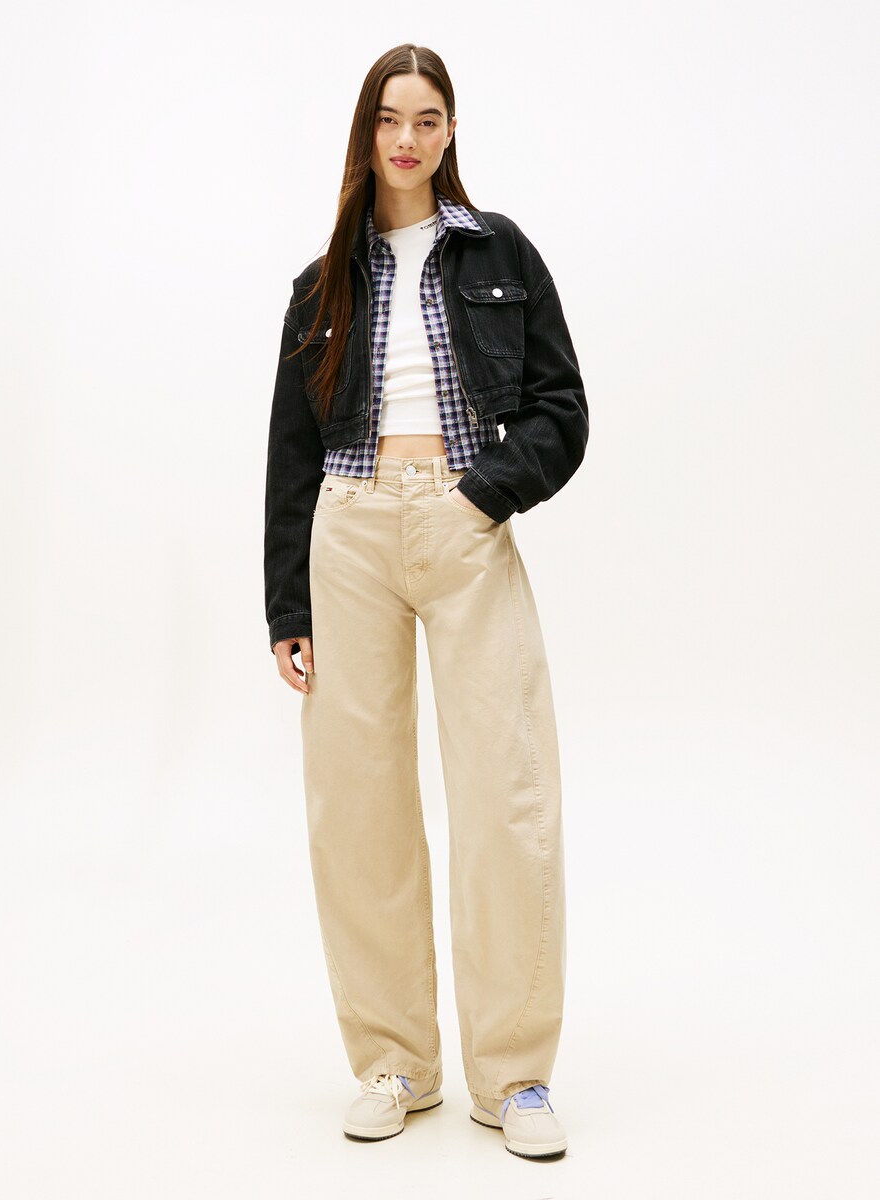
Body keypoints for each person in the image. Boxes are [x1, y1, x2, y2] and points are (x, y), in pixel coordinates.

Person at [264, 43, 589, 1161]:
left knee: (507, 793)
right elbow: (289, 455)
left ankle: (516, 1077)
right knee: (357, 805)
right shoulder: (322, 284)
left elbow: (561, 410)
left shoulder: (501, 251)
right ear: (367, 133)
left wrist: (481, 494)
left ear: (451, 133)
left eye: (428, 119)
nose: (407, 139)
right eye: (390, 119)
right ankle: (393, 1061)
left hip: (465, 522)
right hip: (347, 531)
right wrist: (286, 608)